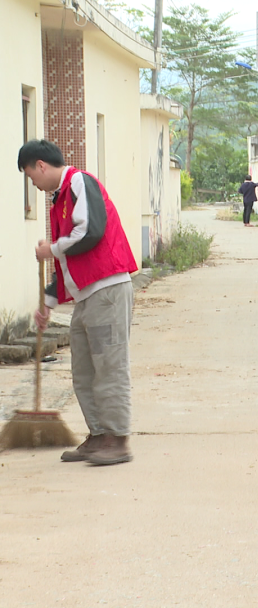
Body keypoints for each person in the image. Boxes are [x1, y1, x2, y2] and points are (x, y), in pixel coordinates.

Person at [18, 139, 139, 466]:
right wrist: (46, 304)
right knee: (84, 371)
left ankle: (117, 439)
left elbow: (90, 233)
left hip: (107, 291)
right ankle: (99, 435)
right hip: (88, 295)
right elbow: (68, 264)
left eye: (31, 177)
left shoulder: (79, 182)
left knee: (109, 366)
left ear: (41, 165)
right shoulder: (59, 202)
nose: (34, 185)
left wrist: (51, 249)